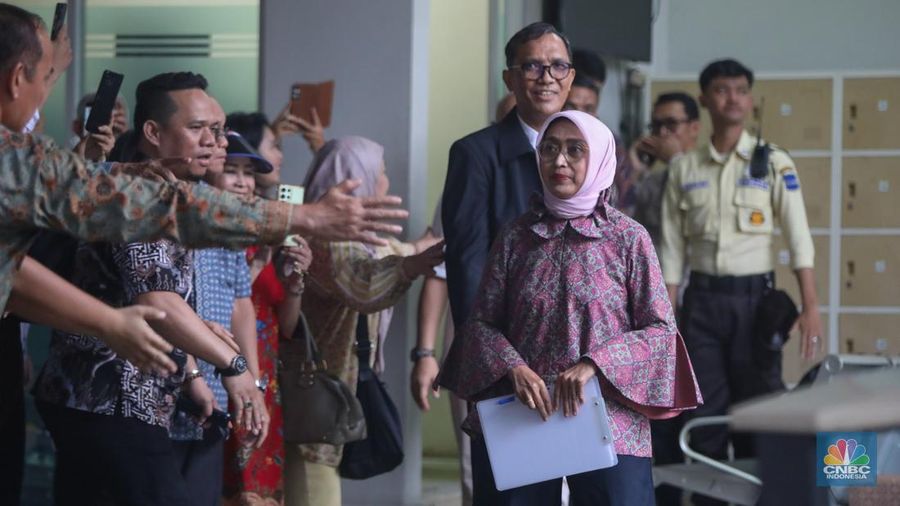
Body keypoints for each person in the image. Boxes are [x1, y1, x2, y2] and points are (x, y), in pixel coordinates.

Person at [438, 110, 701, 506]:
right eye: (549, 149)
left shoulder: (628, 239)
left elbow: (660, 331)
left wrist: (595, 364)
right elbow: (480, 325)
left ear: (599, 158)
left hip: (611, 419)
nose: (559, 160)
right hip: (526, 414)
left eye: (575, 150)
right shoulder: (515, 238)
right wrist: (513, 367)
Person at [659, 58, 821, 506]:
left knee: (757, 414)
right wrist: (665, 321)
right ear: (705, 99)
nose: (733, 98)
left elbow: (799, 238)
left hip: (755, 306)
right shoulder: (684, 169)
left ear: (750, 100)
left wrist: (811, 306)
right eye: (722, 90)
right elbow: (671, 251)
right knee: (705, 415)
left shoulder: (773, 162)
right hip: (702, 305)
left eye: (741, 90)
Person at [285, 136, 444, 506]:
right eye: (379, 172)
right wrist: (410, 266)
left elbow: (389, 251)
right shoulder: (325, 239)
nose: (385, 182)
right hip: (313, 403)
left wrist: (420, 248)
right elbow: (362, 283)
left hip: (327, 400)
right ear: (356, 180)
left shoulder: (354, 239)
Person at [442, 21, 574, 332]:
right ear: (509, 79)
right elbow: (468, 265)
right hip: (508, 336)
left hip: (575, 334)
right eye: (532, 66)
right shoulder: (475, 155)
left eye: (558, 66)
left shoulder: (591, 151)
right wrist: (484, 347)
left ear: (570, 77)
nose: (547, 78)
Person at [222, 113, 309, 505]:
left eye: (247, 173)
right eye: (232, 171)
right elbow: (220, 303)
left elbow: (286, 326)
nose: (243, 182)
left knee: (263, 480)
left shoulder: (266, 228)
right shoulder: (212, 233)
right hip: (226, 368)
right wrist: (258, 263)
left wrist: (295, 283)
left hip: (264, 377)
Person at [409, 199, 473, 506]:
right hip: (474, 348)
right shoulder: (471, 174)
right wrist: (425, 353)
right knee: (476, 471)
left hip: (561, 354)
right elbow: (440, 268)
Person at [620, 92, 701, 246]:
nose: (662, 133)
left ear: (694, 128)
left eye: (671, 124)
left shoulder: (708, 173)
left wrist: (675, 159)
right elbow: (625, 228)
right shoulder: (652, 181)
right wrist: (636, 171)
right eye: (656, 126)